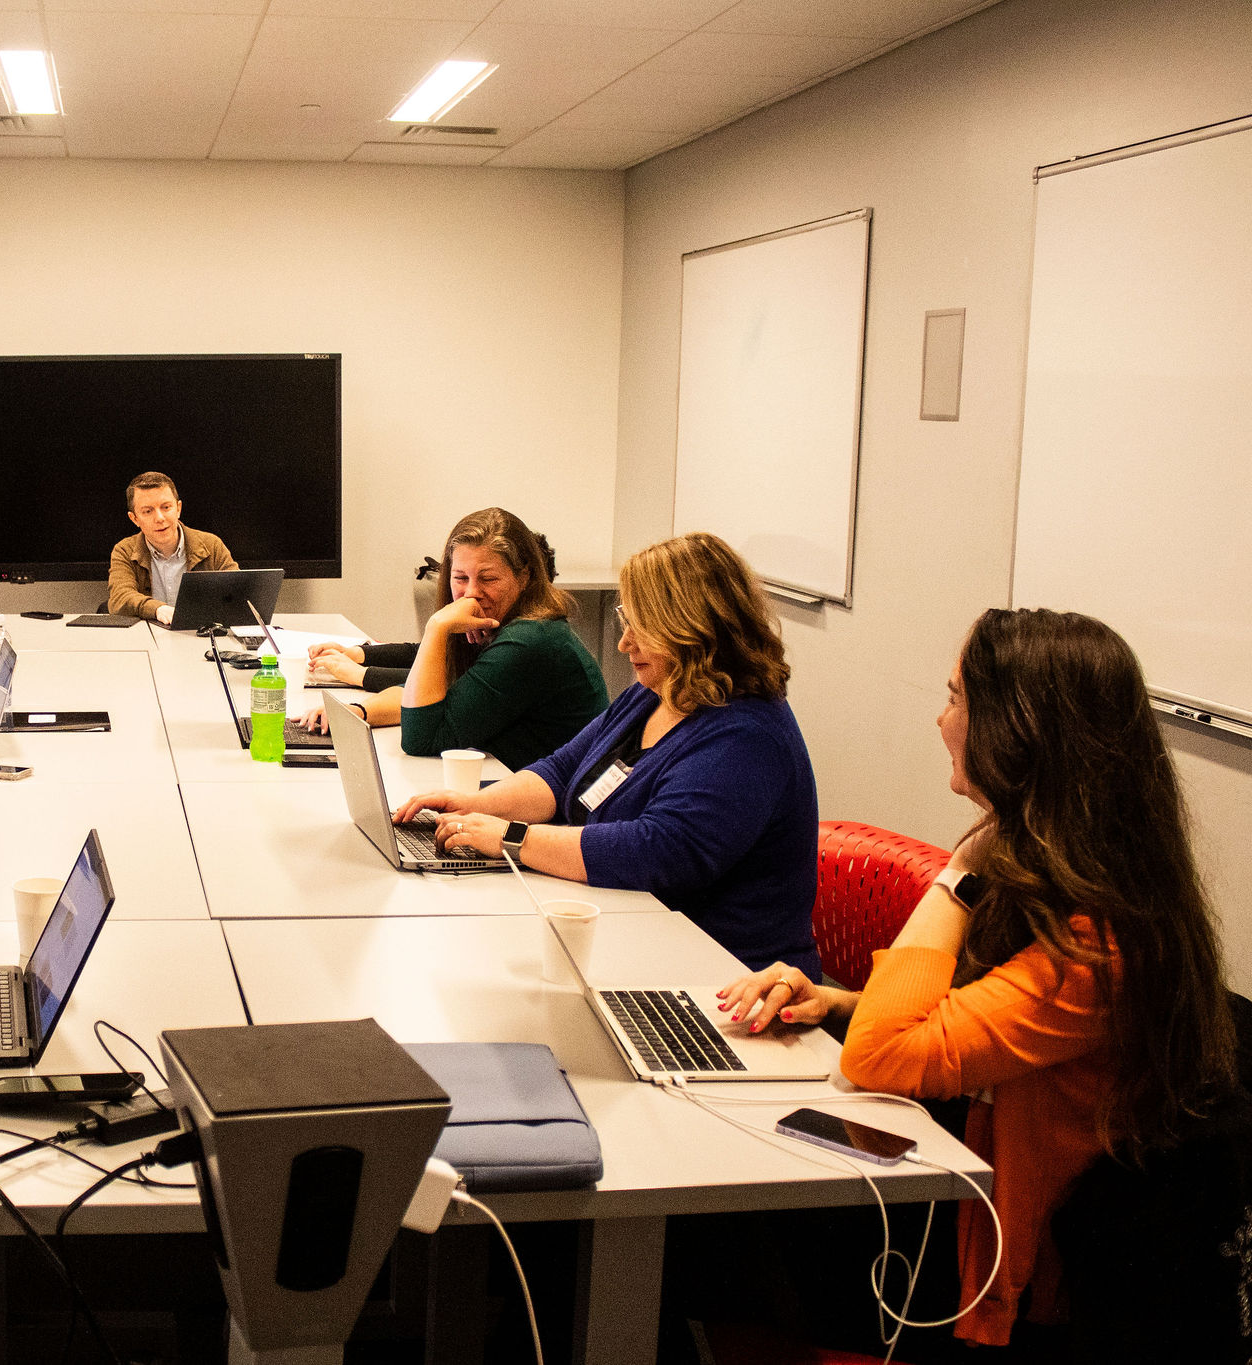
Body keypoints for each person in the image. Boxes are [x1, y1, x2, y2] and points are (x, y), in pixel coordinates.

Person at [716, 608, 1238, 1352]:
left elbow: (879, 1057)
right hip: (957, 1208)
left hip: (1004, 1288)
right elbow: (980, 1026)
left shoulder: (1095, 946)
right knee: (724, 1239)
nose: (938, 718)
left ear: (1019, 732)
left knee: (715, 1249)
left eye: (957, 697)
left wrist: (962, 868)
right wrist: (835, 1002)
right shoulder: (1067, 888)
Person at [394, 531, 819, 976]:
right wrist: (477, 804)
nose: (624, 643)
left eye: (642, 626)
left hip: (721, 975)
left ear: (691, 629)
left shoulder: (746, 737)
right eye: (625, 620)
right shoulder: (655, 693)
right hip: (632, 933)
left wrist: (512, 838)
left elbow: (656, 854)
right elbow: (562, 772)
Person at [299, 508, 606, 774]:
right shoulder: (506, 624)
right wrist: (361, 710)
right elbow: (433, 684)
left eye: (488, 579)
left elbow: (422, 738)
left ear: (524, 577)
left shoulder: (529, 640)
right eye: (460, 578)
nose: (471, 592)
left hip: (559, 817)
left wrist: (437, 626)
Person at [107, 470, 238, 623]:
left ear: (178, 509)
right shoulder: (124, 550)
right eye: (148, 511)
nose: (160, 518)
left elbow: (238, 591)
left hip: (201, 635)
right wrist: (157, 609)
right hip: (149, 636)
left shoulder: (211, 545)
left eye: (166, 507)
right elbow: (120, 598)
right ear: (134, 518)